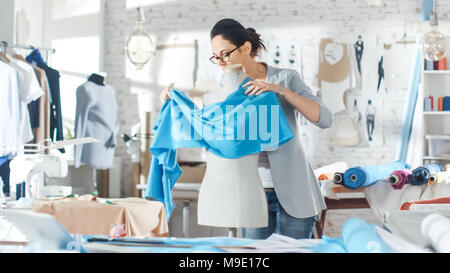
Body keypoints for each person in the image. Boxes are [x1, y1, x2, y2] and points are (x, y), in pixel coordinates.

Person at [160, 18, 333, 240]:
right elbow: (205, 126)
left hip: (295, 192)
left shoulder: (286, 79)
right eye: (216, 57)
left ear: (246, 48)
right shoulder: (222, 90)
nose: (221, 62)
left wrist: (279, 91)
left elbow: (324, 119)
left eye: (225, 54)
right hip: (250, 193)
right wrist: (172, 101)